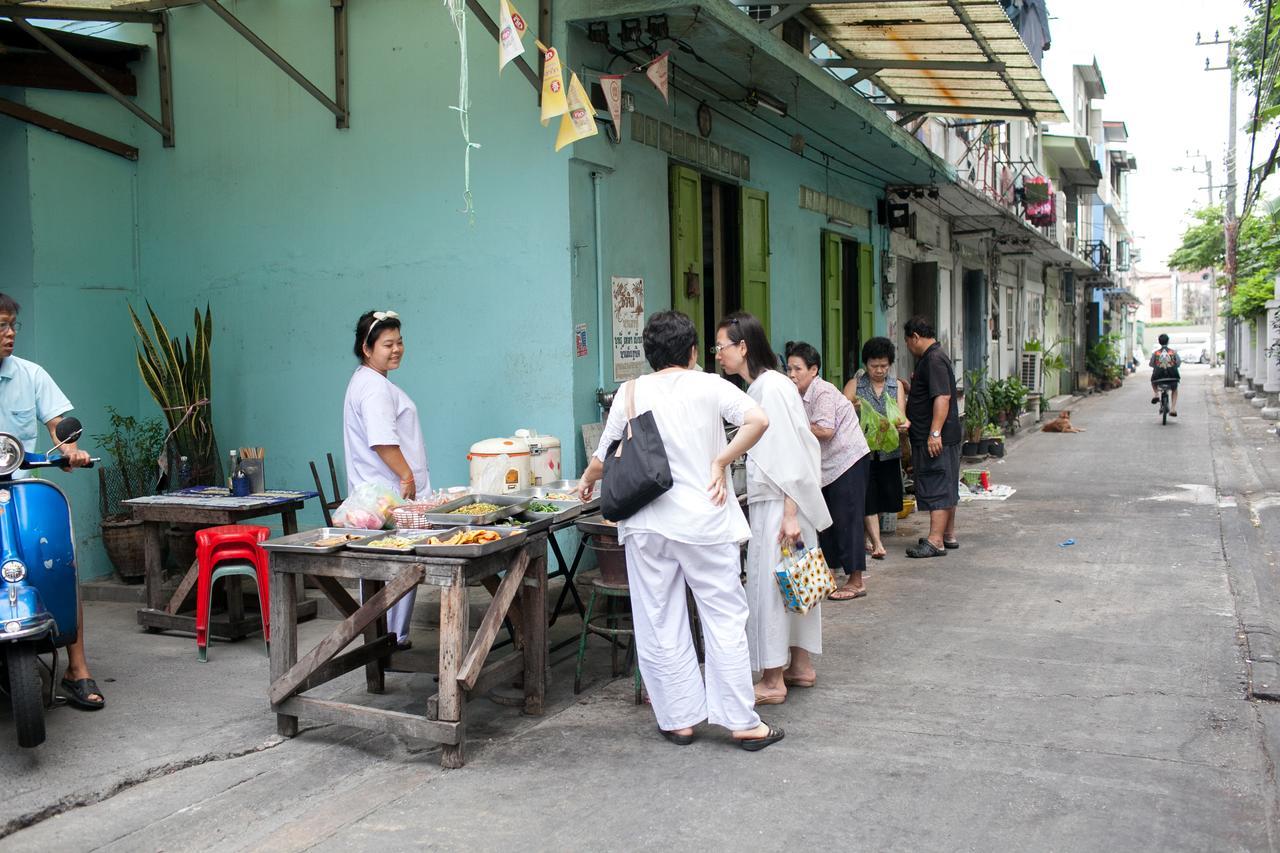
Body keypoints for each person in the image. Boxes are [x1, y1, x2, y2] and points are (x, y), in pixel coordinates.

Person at [579, 310, 783, 751]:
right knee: (724, 619)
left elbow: (603, 457)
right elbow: (759, 421)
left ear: (650, 355)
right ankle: (741, 721)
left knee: (659, 618)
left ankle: (680, 719)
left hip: (647, 523)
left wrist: (585, 481)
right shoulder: (710, 385)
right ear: (692, 351)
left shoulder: (629, 391)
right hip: (705, 520)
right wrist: (721, 460)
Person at [716, 317, 831, 705]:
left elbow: (791, 454)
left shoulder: (769, 388)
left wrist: (789, 513)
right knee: (795, 582)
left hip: (782, 503)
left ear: (743, 346)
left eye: (723, 347)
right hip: (788, 501)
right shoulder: (771, 385)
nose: (719, 355)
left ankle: (771, 679)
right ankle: (799, 667)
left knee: (771, 588)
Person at [0, 294, 98, 708]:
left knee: (59, 558)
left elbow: (58, 423)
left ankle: (77, 669)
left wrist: (69, 447)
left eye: (12, 326)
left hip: (22, 491)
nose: (9, 334)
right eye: (1, 325)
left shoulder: (30, 374)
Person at [342, 310, 430, 650]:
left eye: (399, 342)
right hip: (390, 496)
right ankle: (391, 640)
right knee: (398, 566)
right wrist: (407, 474)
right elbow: (382, 440)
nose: (396, 349)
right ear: (367, 348)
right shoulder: (375, 388)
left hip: (375, 494)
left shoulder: (365, 380)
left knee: (380, 569)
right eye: (387, 344)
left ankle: (382, 639)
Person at [784, 341, 872, 601]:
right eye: (789, 368)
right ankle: (830, 575)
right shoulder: (794, 394)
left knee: (848, 519)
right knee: (826, 522)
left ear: (813, 370)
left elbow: (825, 430)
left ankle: (856, 581)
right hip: (824, 466)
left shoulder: (822, 391)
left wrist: (794, 425)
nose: (792, 374)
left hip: (848, 460)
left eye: (797, 369)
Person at [902, 316, 961, 558]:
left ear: (915, 337)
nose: (908, 346)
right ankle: (947, 534)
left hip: (936, 437)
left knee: (936, 483)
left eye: (907, 341)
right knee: (945, 483)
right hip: (944, 436)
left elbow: (942, 398)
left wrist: (934, 432)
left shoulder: (933, 360)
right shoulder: (934, 358)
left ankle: (935, 540)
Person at [848, 337, 909, 561]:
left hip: (888, 451)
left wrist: (902, 424)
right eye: (874, 366)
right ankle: (877, 543)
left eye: (884, 366)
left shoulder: (896, 386)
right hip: (862, 452)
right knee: (868, 497)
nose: (879, 370)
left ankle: (866, 536)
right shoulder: (856, 385)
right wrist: (852, 405)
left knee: (885, 498)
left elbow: (901, 415)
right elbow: (842, 410)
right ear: (866, 364)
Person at [1149, 333, 1181, 417]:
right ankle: (1173, 408)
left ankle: (1156, 394)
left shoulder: (1155, 353)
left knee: (1152, 381)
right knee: (1175, 389)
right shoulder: (1173, 352)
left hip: (1158, 378)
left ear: (1159, 342)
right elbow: (1178, 363)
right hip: (1172, 378)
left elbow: (1151, 364)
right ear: (1168, 341)